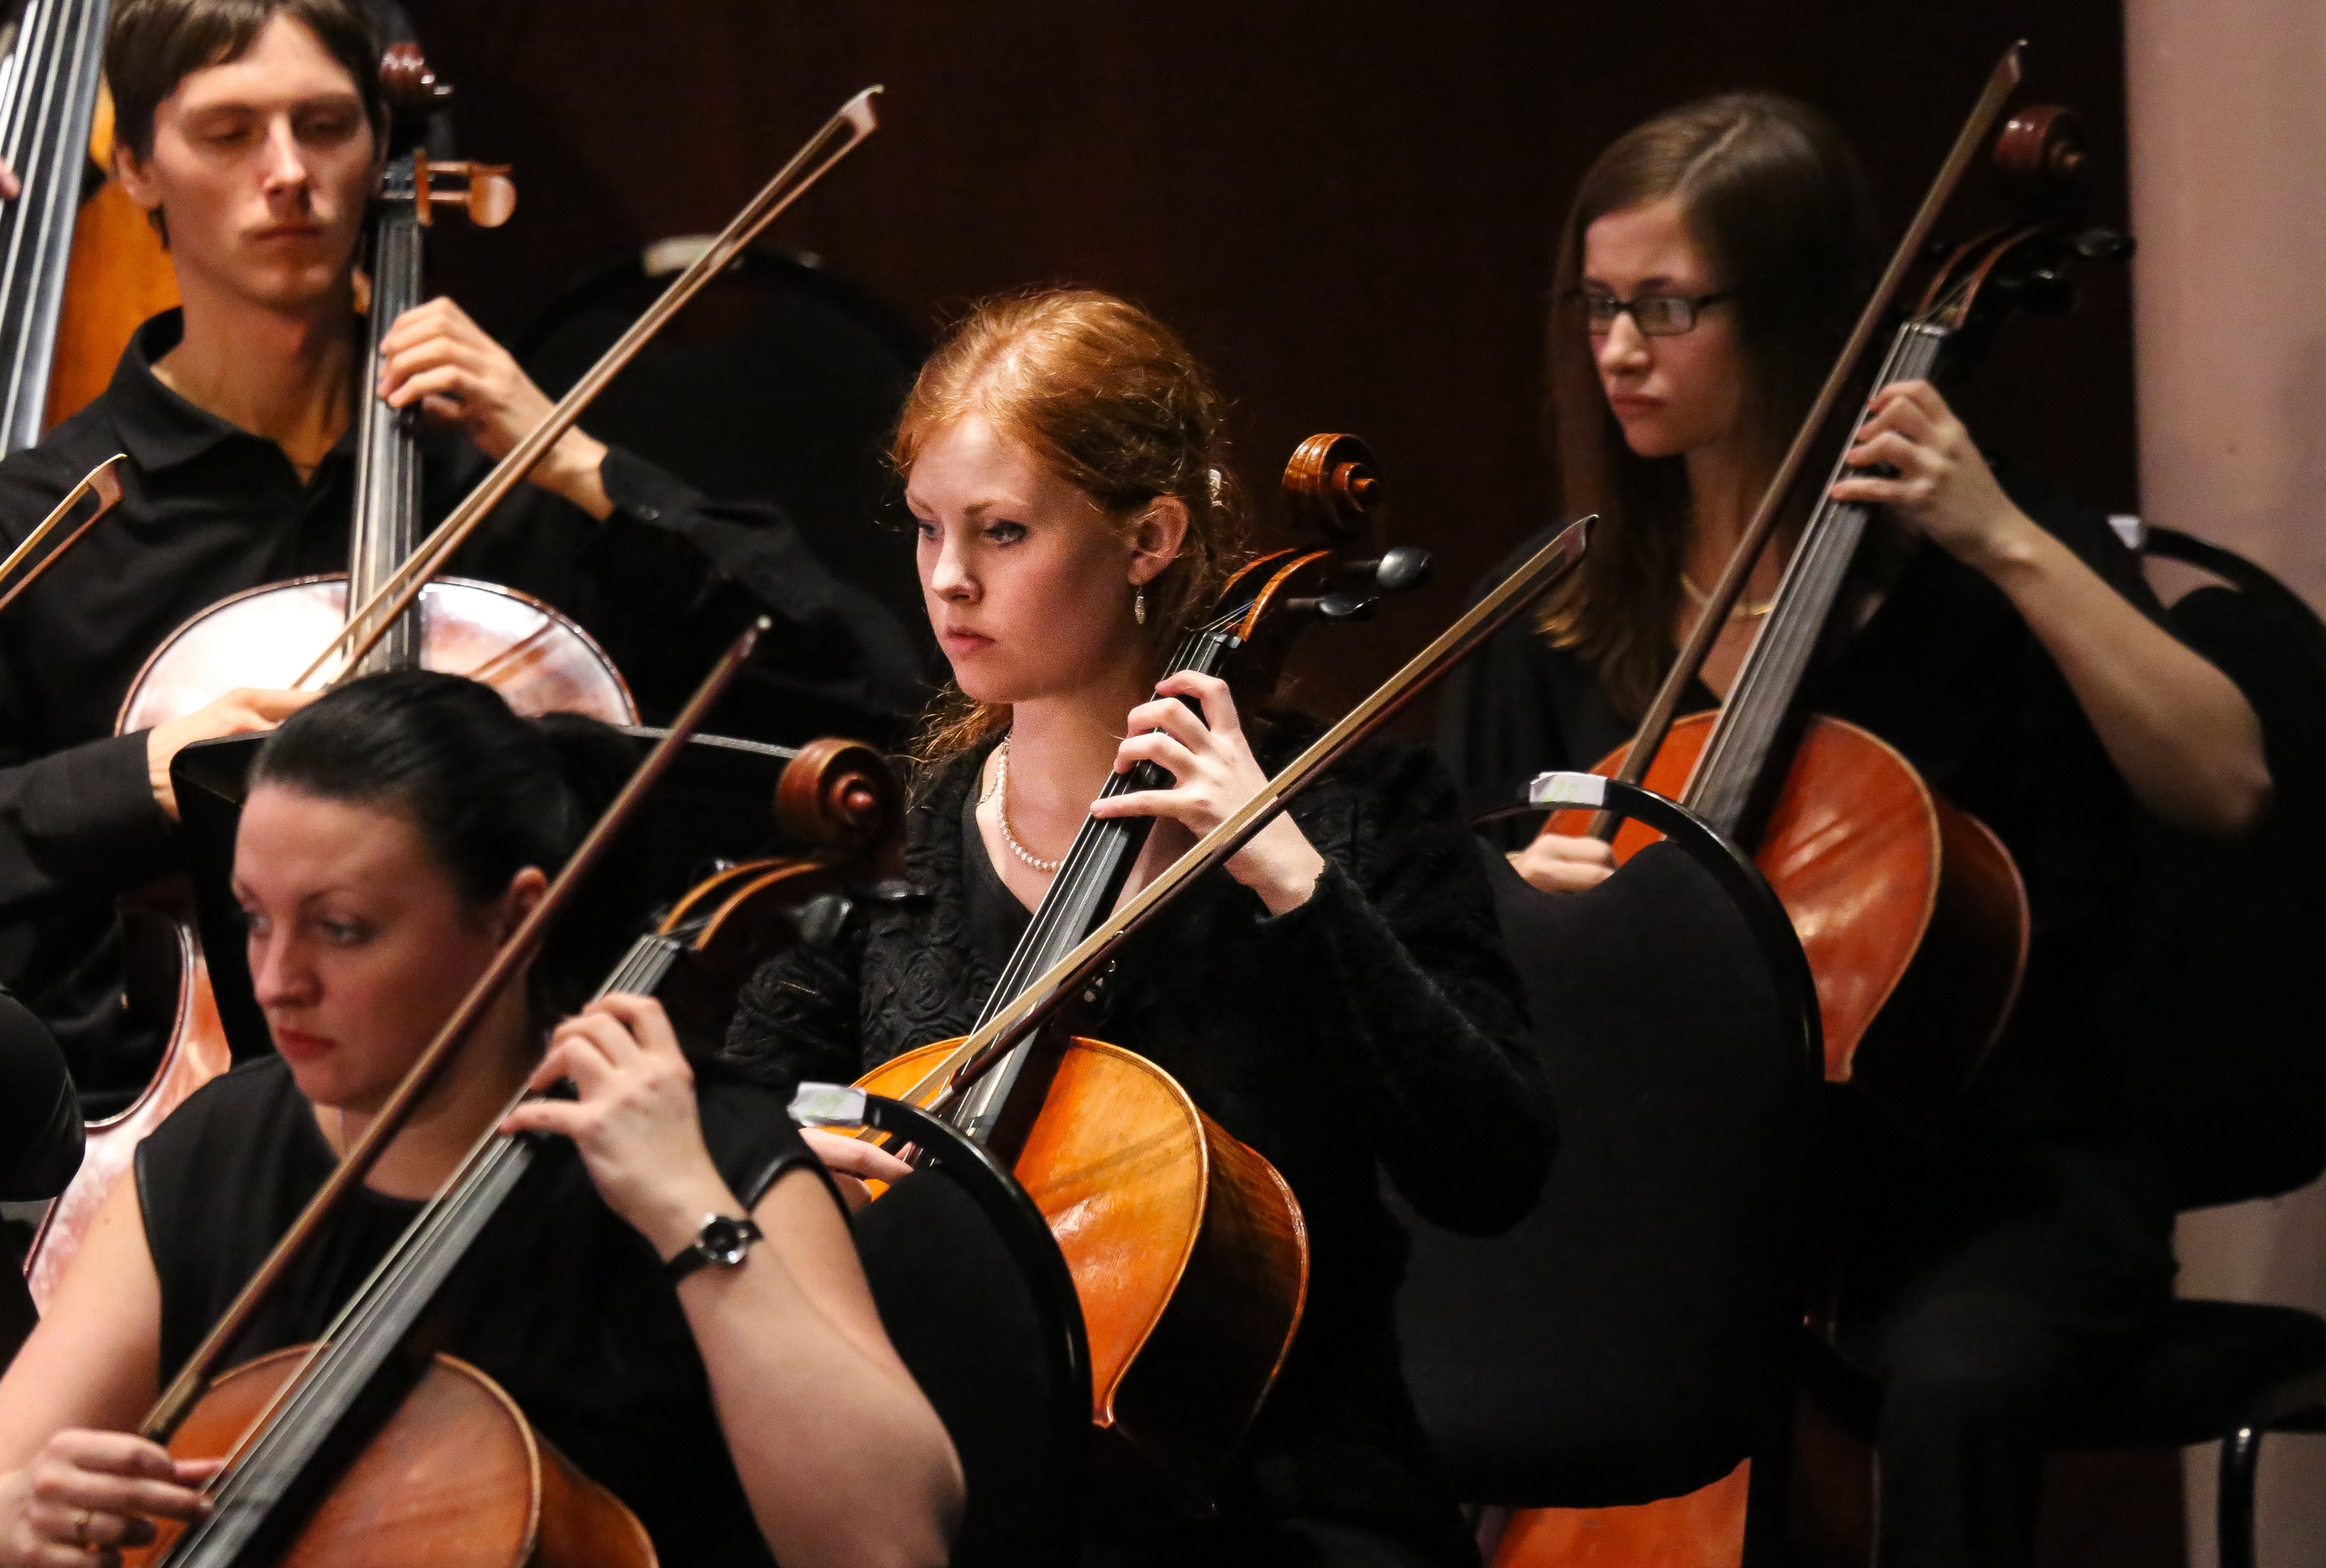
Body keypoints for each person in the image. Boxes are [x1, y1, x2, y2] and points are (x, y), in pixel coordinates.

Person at [1439, 94, 2271, 1568]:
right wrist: (1525, 900)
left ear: (1800, 311)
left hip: (1988, 1192)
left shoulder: (1978, 580)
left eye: (1669, 308)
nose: (1619, 349)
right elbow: (1448, 934)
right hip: (1685, 1195)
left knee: (1954, 1381)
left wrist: (2002, 534)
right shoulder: (1563, 623)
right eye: (1601, 304)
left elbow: (2227, 784)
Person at [721, 287, 1551, 1567]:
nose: (949, 579)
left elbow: (1491, 1165)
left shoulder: (1355, 810)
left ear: (1151, 537)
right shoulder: (910, 825)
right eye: (930, 528)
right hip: (952, 1478)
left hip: (1279, 1503)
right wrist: (798, 1163)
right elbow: (746, 1109)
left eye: (1002, 532)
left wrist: (1288, 876)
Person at [0, 0, 922, 1110]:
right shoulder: (46, 517)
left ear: (385, 152)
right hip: (187, 1130)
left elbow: (871, 686)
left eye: (326, 125)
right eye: (229, 132)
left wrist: (577, 460)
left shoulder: (504, 495)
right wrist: (128, 777)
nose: (288, 172)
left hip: (524, 1116)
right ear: (138, 168)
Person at [0, 670, 963, 1568]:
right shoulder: (216, 1149)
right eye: (256, 917)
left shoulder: (707, 1146)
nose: (275, 980)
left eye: (341, 929)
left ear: (514, 915)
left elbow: (890, 1542)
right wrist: (24, 1513)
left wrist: (688, 1211)